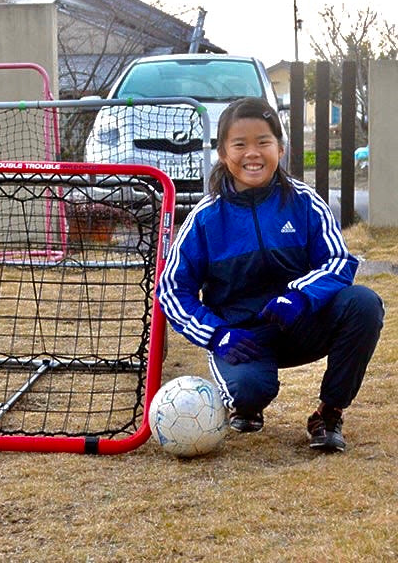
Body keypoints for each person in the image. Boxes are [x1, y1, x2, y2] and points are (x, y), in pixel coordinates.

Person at [157, 97, 384, 453]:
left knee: (365, 304)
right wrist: (217, 334)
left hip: (301, 324)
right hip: (242, 339)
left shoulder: (305, 202)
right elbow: (172, 290)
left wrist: (300, 296)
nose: (253, 153)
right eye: (240, 144)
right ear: (222, 152)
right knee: (248, 390)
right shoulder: (205, 218)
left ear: (280, 147)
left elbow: (339, 261)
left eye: (263, 142)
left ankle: (328, 414)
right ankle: (246, 404)